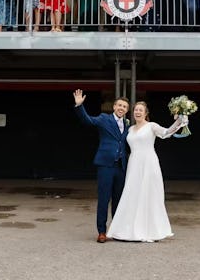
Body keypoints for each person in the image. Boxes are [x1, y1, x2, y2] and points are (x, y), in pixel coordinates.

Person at [106, 101, 187, 242]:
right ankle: (126, 229)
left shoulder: (152, 126)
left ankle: (149, 230)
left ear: (145, 113)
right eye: (135, 110)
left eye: (140, 110)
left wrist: (179, 121)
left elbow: (166, 133)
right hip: (133, 163)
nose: (137, 112)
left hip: (149, 163)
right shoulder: (129, 129)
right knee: (132, 193)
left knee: (149, 194)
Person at [73, 89, 130, 243]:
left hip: (121, 167)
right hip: (105, 165)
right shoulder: (104, 119)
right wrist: (79, 106)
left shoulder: (127, 124)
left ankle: (117, 231)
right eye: (119, 105)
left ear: (127, 110)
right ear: (114, 106)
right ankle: (102, 231)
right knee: (104, 199)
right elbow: (87, 120)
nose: (121, 108)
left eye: (124, 107)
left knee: (118, 200)